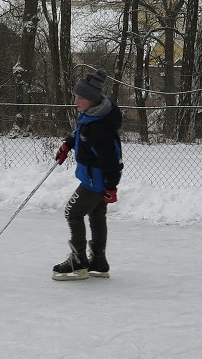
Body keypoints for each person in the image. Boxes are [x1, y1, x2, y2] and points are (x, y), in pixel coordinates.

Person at [52, 69, 123, 280]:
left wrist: (111, 186)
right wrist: (67, 144)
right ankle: (99, 262)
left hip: (96, 181)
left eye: (80, 97)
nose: (76, 101)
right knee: (96, 214)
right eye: (76, 96)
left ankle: (79, 260)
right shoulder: (91, 115)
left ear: (92, 99)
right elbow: (80, 133)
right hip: (93, 177)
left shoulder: (100, 127)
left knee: (72, 212)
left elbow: (112, 160)